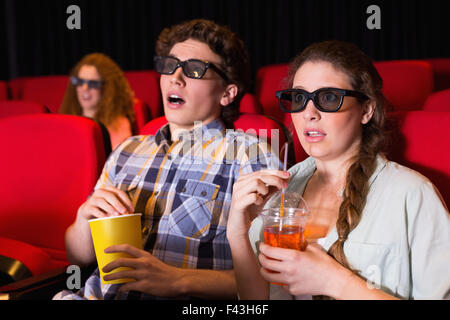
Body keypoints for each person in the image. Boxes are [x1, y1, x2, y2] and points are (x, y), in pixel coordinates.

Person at [55, 19, 280, 300]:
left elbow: (271, 281)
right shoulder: (128, 150)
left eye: (194, 69)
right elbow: (78, 258)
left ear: (227, 93)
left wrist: (178, 280)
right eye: (169, 65)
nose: (175, 77)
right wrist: (83, 220)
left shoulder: (250, 156)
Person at [227, 40, 450, 300]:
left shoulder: (412, 194)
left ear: (366, 110)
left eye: (328, 98)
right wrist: (238, 233)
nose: (309, 113)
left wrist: (334, 282)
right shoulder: (279, 192)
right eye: (299, 98)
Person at [60, 53, 136, 150]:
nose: (84, 88)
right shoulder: (66, 120)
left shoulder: (119, 125)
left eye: (93, 83)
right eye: (80, 82)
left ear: (107, 89)